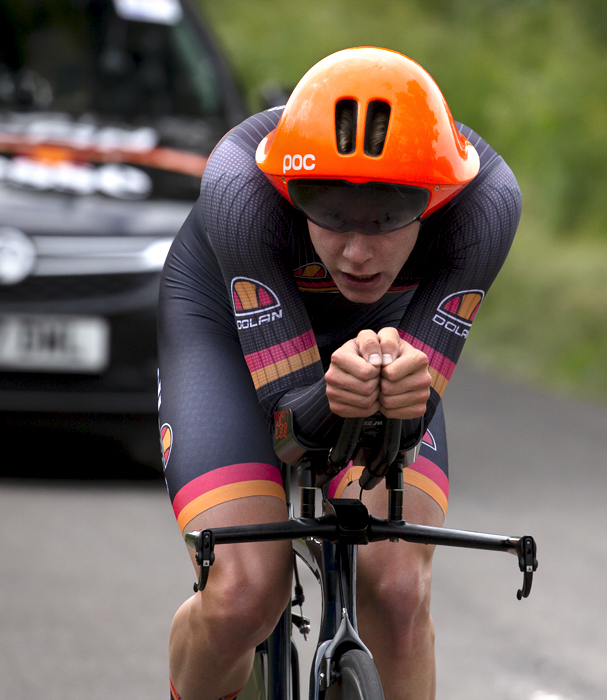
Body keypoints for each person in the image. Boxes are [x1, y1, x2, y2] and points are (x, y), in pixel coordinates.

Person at [158, 47, 521, 700]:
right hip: (225, 330)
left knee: (398, 590)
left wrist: (398, 397)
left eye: (387, 216)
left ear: (437, 196)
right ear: (290, 188)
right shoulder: (240, 187)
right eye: (324, 208)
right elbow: (292, 432)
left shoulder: (485, 204)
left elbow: (403, 428)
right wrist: (334, 395)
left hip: (384, 333)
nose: (356, 251)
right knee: (242, 594)